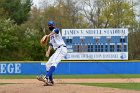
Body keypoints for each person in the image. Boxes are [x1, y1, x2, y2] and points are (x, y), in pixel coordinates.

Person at [37, 20, 67, 86]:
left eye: (51, 25)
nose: (50, 26)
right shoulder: (51, 36)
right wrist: (48, 51)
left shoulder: (56, 30)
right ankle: (50, 81)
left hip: (62, 48)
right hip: (57, 50)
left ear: (54, 26)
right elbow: (51, 44)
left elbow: (55, 31)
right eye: (49, 25)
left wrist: (47, 35)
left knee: (54, 62)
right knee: (48, 64)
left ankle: (46, 77)